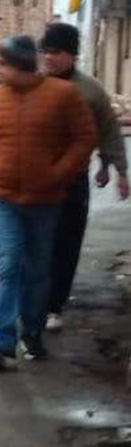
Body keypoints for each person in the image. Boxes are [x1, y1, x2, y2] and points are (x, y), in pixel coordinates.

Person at [0, 35, 97, 370]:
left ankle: (32, 331)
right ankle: (3, 343)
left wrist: (58, 174)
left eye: (3, 63)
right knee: (9, 266)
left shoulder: (62, 95)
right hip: (4, 201)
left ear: (19, 65)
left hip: (45, 202)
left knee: (37, 270)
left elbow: (85, 138)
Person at [40, 23, 129, 332]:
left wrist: (116, 169)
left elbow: (108, 131)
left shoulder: (90, 90)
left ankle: (54, 306)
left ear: (72, 55)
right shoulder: (34, 85)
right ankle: (34, 302)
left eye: (56, 52)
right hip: (39, 181)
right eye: (46, 52)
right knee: (38, 244)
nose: (49, 58)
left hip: (74, 180)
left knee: (66, 244)